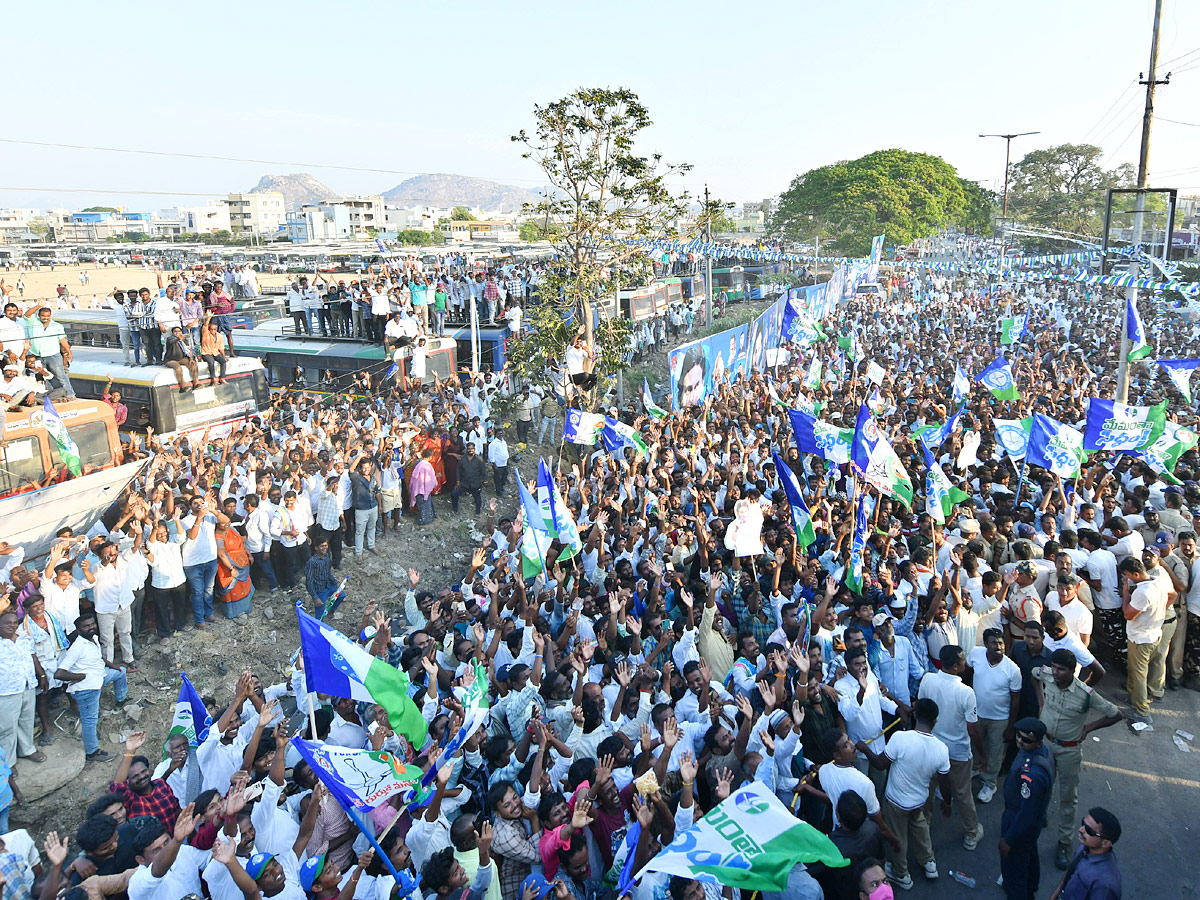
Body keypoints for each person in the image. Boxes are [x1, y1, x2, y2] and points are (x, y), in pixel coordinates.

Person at [1034, 648, 1123, 870]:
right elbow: (1034, 673)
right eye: (1054, 667)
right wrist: (1041, 702)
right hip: (1045, 743)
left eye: (1061, 669)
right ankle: (1040, 814)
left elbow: (1116, 714)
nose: (1055, 672)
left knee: (1067, 799)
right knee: (1042, 784)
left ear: (1073, 671)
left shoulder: (1085, 694)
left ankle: (1064, 844)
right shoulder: (1046, 674)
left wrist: (1089, 727)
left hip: (1069, 750)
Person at [858, 697, 951, 890]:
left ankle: (902, 875)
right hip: (920, 800)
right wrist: (947, 803)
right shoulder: (942, 749)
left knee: (897, 836)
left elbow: (879, 764)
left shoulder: (901, 738)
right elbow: (944, 782)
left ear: (915, 715)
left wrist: (865, 749)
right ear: (935, 721)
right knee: (920, 827)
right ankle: (929, 862)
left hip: (896, 801)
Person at [916, 644, 983, 850]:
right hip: (958, 752)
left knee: (927, 791)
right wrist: (983, 754)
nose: (965, 662)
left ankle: (923, 828)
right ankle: (972, 833)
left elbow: (921, 709)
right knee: (963, 793)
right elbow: (972, 729)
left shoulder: (927, 679)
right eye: (962, 660)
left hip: (931, 747)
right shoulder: (966, 692)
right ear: (955, 666)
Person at [54, 612, 128, 762]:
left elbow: (98, 657)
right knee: (90, 721)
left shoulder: (93, 638)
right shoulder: (77, 647)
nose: (91, 627)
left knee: (121, 672)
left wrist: (113, 665)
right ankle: (92, 752)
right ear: (79, 630)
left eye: (92, 624)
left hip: (99, 676)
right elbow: (59, 674)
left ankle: (121, 701)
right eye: (86, 626)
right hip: (87, 688)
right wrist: (80, 677)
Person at [998, 717, 1055, 900]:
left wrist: (1009, 839)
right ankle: (1031, 885)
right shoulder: (1041, 751)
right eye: (1019, 736)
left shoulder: (1033, 773)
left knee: (1014, 872)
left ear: (1039, 741)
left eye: (1026, 740)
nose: (1020, 741)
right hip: (1029, 822)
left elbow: (1027, 814)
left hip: (1018, 821)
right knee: (1028, 854)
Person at [966, 627, 1021, 805]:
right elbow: (966, 674)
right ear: (985, 644)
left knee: (995, 751)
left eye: (1001, 643)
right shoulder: (975, 653)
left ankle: (989, 783)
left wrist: (1011, 726)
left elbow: (1015, 700)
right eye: (994, 643)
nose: (998, 646)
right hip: (976, 714)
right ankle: (976, 769)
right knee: (974, 744)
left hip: (1000, 719)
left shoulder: (1013, 669)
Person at [1117, 556, 1170, 724]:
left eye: (1127, 575)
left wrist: (1126, 594)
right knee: (1135, 671)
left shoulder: (1142, 592)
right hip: (1153, 634)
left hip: (1141, 639)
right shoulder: (1159, 582)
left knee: (1139, 674)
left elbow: (1127, 614)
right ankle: (1133, 696)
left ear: (1136, 574)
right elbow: (1173, 594)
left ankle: (1142, 711)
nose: (1127, 579)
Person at [0, 610, 45, 767]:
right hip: (6, 691)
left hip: (27, 685)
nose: (12, 626)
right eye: (7, 623)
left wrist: (42, 676)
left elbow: (33, 657)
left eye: (14, 623)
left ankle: (27, 749)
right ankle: (8, 764)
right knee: (7, 728)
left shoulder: (25, 639)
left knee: (27, 720)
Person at [1049, 807, 1123, 900]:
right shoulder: (1086, 846)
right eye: (1083, 823)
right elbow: (1070, 873)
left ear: (1105, 843)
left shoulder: (1105, 884)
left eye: (1089, 831)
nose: (1081, 829)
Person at [23, 304, 75, 399]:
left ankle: (70, 394)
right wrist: (38, 305)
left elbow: (62, 339)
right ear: (39, 315)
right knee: (42, 376)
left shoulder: (57, 326)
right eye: (43, 316)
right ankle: (49, 395)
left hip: (53, 355)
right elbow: (27, 315)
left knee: (61, 376)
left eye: (48, 316)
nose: (45, 318)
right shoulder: (33, 322)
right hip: (37, 355)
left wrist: (69, 352)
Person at [163, 325, 200, 392]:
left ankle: (196, 383)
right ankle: (183, 386)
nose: (177, 332)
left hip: (181, 358)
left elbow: (189, 350)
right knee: (178, 368)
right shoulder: (170, 338)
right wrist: (178, 339)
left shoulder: (184, 339)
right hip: (171, 360)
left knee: (193, 364)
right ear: (172, 333)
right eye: (175, 331)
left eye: (179, 331)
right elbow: (172, 342)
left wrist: (191, 358)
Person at [200, 314, 229, 384]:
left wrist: (224, 356)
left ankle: (222, 377)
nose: (213, 331)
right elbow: (205, 326)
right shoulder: (206, 334)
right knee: (211, 362)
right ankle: (213, 378)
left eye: (214, 329)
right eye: (211, 329)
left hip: (215, 352)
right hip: (206, 352)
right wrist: (209, 318)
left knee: (223, 361)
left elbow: (221, 347)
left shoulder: (219, 336)